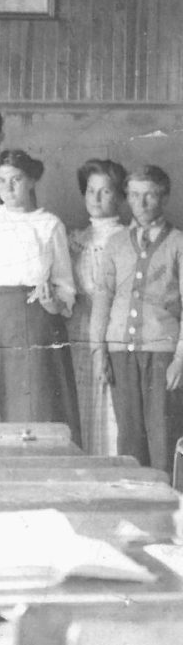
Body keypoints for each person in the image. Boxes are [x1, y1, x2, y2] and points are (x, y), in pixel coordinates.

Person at [0, 150, 79, 439]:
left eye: (16, 179)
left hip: (36, 320)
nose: (8, 187)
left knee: (34, 402)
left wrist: (53, 303)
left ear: (31, 181)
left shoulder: (49, 224)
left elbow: (65, 285)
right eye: (1, 181)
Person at [91, 166, 183, 473]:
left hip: (162, 355)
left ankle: (171, 515)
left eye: (149, 195)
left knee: (164, 438)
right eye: (133, 195)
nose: (140, 204)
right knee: (129, 440)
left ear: (164, 196)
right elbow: (102, 297)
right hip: (120, 354)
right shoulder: (117, 243)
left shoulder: (178, 243)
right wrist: (98, 351)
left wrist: (180, 359)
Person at [67, 159, 126, 455]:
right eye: (91, 191)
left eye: (105, 191)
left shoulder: (127, 237)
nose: (96, 199)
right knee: (83, 401)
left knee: (114, 405)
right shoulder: (75, 239)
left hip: (114, 330)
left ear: (119, 195)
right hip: (80, 328)